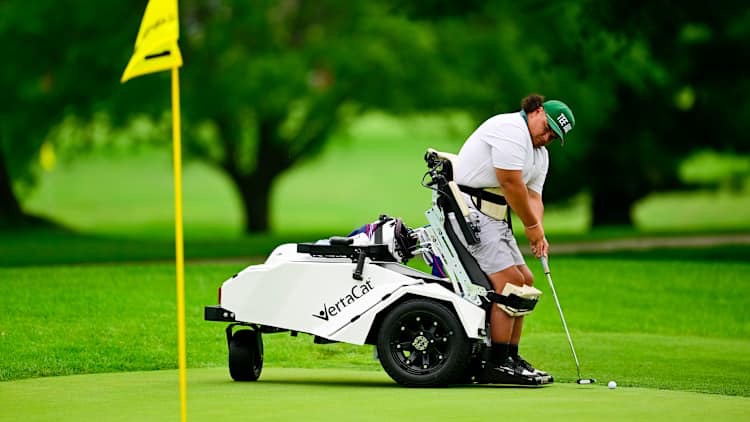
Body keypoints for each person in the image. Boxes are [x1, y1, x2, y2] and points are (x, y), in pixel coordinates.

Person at [452, 94, 575, 383]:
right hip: (469, 212)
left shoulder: (539, 154)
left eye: (553, 136)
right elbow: (510, 183)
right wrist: (531, 226)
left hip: (493, 218)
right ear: (537, 111)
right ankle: (496, 363)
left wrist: (538, 231)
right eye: (547, 127)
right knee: (509, 283)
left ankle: (510, 356)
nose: (546, 137)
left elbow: (533, 197)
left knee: (525, 282)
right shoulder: (511, 129)